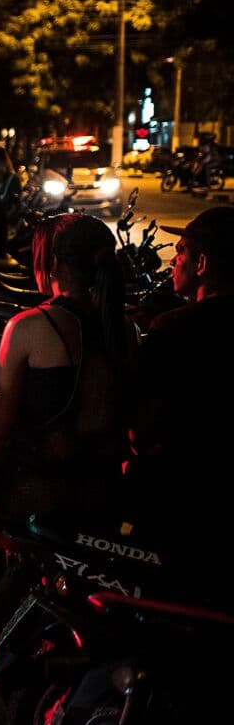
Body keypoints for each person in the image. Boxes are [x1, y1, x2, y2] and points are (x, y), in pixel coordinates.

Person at [0, 213, 133, 694]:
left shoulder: (31, 326)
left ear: (55, 264)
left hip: (41, 481)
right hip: (101, 482)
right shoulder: (124, 330)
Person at [128, 206, 234, 604]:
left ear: (202, 263)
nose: (174, 260)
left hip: (177, 495)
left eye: (182, 251)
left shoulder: (173, 329)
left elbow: (142, 426)